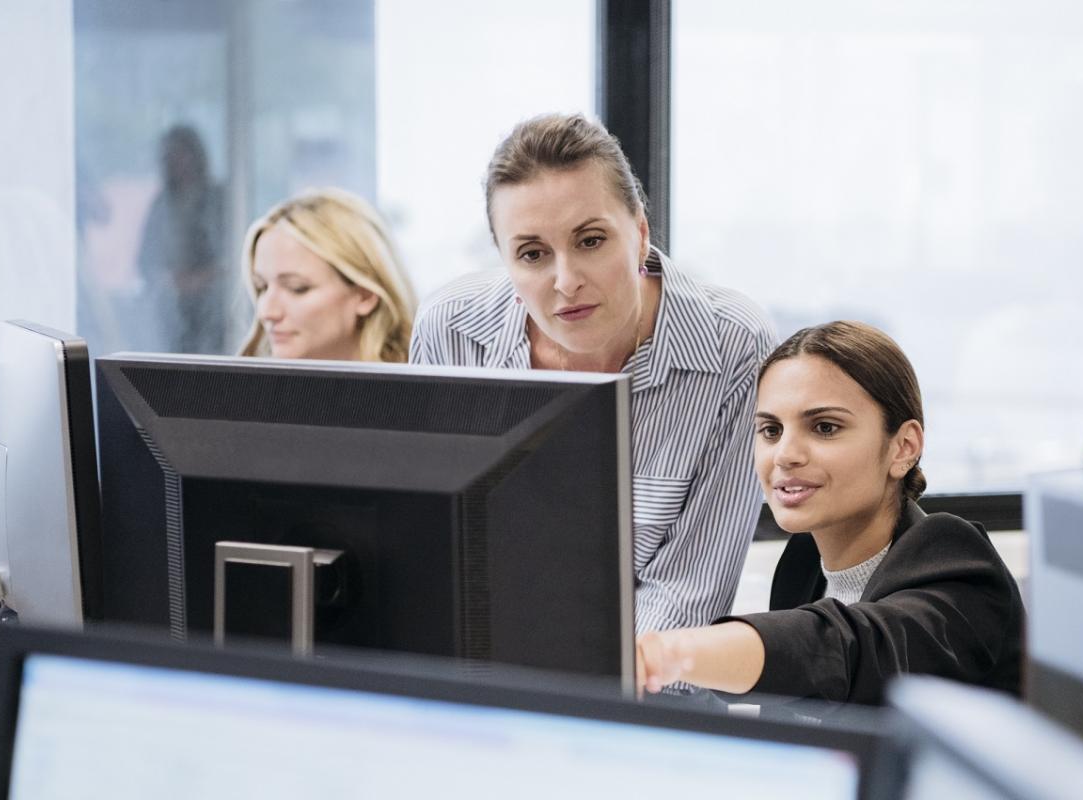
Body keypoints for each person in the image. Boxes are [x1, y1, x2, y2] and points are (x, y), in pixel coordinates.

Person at [411, 113, 777, 635]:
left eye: (590, 241)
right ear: (507, 264)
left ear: (641, 234)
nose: (566, 282)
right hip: (485, 673)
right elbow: (439, 553)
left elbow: (687, 594)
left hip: (649, 688)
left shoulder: (733, 345)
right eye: (532, 254)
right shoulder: (450, 333)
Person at [635, 321, 1025, 703]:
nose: (786, 454)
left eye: (824, 427)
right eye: (770, 430)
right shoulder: (802, 566)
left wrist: (668, 653)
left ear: (903, 447)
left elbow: (843, 649)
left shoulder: (954, 561)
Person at [240, 188, 417, 362]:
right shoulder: (248, 388)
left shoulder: (422, 388)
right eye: (261, 287)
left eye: (297, 288)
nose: (266, 312)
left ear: (365, 295)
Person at [136, 124, 227, 354]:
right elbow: (145, 260)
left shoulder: (219, 199)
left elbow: (235, 256)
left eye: (181, 154)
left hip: (215, 309)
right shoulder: (162, 204)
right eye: (169, 156)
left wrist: (199, 279)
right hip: (171, 312)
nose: (175, 162)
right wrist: (167, 280)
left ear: (196, 155)